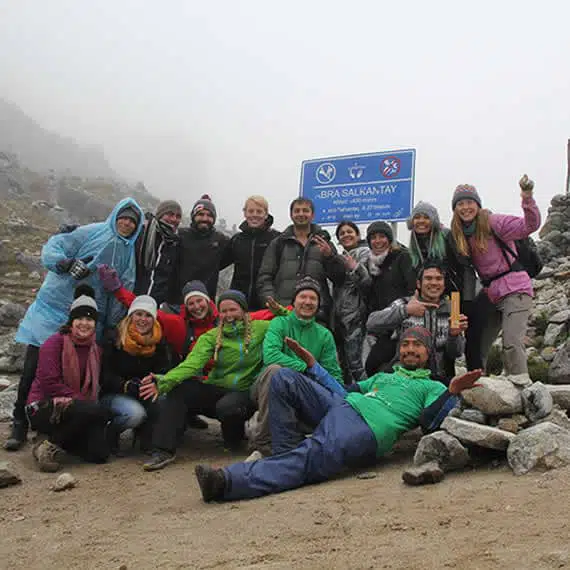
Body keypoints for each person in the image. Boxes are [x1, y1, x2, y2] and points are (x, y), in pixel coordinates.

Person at [193, 327, 483, 502]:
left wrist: (452, 390)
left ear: (428, 352)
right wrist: (313, 366)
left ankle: (227, 483)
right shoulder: (385, 376)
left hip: (366, 427)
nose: (409, 349)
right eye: (405, 344)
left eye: (416, 345)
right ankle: (284, 456)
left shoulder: (432, 385)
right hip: (343, 406)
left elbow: (429, 422)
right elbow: (344, 391)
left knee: (311, 456)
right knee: (283, 378)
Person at [5, 197, 143, 451]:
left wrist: (111, 324)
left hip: (88, 320)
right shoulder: (91, 232)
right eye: (123, 218)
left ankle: (61, 426)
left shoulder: (127, 253)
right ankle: (19, 423)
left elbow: (122, 288)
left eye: (133, 222)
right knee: (33, 369)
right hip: (54, 309)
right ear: (115, 216)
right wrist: (65, 263)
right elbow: (55, 246)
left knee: (80, 376)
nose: (127, 224)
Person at [140, 290, 273, 471]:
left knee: (229, 407)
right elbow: (192, 364)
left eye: (232, 310)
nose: (228, 315)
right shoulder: (211, 337)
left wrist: (279, 310)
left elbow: (290, 320)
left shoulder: (262, 329)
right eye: (223, 311)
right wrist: (165, 380)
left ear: (243, 310)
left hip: (243, 392)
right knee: (181, 389)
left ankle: (234, 438)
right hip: (216, 387)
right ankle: (163, 450)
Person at [448, 175, 541, 375]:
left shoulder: (493, 222)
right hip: (490, 293)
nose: (465, 207)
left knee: (511, 342)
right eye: (460, 203)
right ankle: (477, 383)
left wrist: (527, 197)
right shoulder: (460, 234)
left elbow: (530, 226)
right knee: (476, 340)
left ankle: (522, 387)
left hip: (516, 288)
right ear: (455, 208)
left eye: (469, 202)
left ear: (478, 204)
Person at [247, 277, 343, 461]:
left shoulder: (324, 335)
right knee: (275, 371)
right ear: (294, 301)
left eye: (313, 298)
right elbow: (271, 356)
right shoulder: (279, 323)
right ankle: (263, 444)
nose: (308, 302)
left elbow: (333, 372)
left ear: (318, 304)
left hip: (303, 389)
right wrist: (307, 368)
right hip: (268, 385)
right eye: (303, 297)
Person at [25, 286, 112, 472]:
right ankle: (49, 445)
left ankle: (51, 438)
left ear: (95, 324)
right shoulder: (54, 343)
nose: (84, 323)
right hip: (45, 405)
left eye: (89, 319)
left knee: (99, 455)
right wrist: (83, 403)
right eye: (79, 318)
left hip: (79, 409)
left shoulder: (96, 349)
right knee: (95, 411)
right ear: (71, 321)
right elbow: (50, 383)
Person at [366, 261, 468, 383]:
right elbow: (371, 323)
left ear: (444, 285)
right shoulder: (405, 303)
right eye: (428, 278)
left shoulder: (453, 309)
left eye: (438, 279)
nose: (434, 283)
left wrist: (453, 335)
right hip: (403, 374)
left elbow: (456, 353)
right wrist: (405, 311)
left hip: (437, 378)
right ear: (419, 284)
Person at [100, 295, 174, 453]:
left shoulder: (159, 340)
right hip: (114, 392)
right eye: (138, 314)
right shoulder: (115, 338)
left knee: (162, 398)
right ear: (131, 315)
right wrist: (124, 385)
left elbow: (164, 370)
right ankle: (110, 433)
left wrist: (156, 381)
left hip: (143, 391)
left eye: (148, 315)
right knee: (135, 414)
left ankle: (147, 437)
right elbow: (104, 374)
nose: (143, 319)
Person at [257, 197, 345, 326]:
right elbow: (265, 277)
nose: (301, 214)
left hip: (317, 313)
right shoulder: (279, 243)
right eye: (297, 211)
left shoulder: (324, 242)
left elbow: (339, 278)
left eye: (305, 210)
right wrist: (272, 303)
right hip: (284, 313)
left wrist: (330, 257)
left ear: (312, 215)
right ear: (291, 214)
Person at [364, 221, 415, 376]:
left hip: (401, 324)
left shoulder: (402, 257)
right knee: (372, 366)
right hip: (380, 325)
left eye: (382, 236)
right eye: (373, 238)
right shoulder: (370, 265)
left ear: (390, 239)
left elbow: (412, 289)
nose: (378, 241)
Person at [220, 196, 280, 310]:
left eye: (259, 211)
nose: (254, 215)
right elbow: (216, 264)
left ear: (266, 214)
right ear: (245, 213)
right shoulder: (237, 240)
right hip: (239, 301)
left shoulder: (276, 239)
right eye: (251, 211)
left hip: (267, 301)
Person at [332, 221, 371, 383]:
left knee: (356, 362)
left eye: (350, 232)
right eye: (342, 233)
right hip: (340, 318)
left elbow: (367, 282)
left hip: (356, 316)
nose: (346, 235)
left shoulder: (365, 252)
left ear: (358, 235)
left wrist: (355, 268)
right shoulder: (339, 258)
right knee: (344, 363)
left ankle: (364, 394)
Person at [177, 194, 231, 300]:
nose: (205, 218)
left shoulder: (221, 240)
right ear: (193, 216)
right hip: (177, 301)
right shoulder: (180, 236)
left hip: (206, 304)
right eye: (201, 214)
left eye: (209, 215)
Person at [134, 200, 183, 305]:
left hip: (157, 304)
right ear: (160, 215)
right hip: (134, 297)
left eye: (178, 216)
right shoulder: (141, 233)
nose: (174, 219)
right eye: (170, 214)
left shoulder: (175, 242)